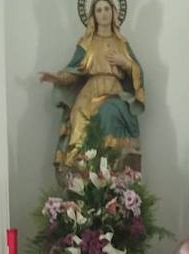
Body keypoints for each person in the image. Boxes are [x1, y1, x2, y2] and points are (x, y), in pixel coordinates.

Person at [39, 0, 145, 169]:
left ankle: (109, 169)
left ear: (113, 12)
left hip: (114, 92)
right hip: (90, 91)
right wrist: (58, 79)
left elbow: (137, 71)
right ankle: (78, 169)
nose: (103, 13)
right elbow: (73, 71)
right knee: (79, 114)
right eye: (99, 10)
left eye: (107, 9)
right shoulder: (86, 43)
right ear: (93, 16)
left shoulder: (122, 43)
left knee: (108, 111)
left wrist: (124, 62)